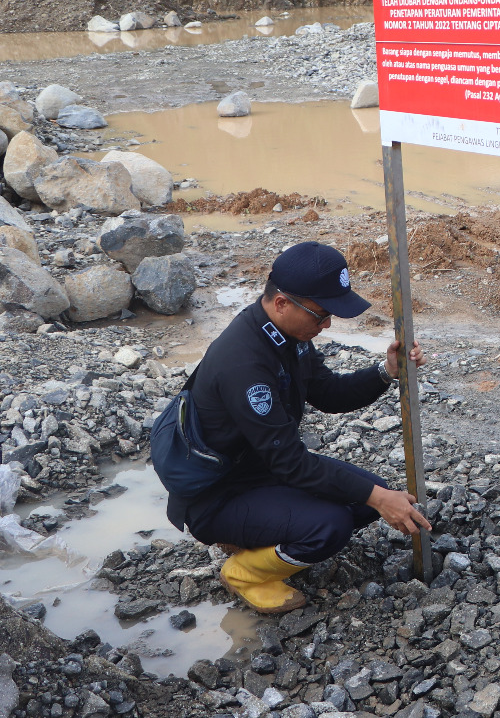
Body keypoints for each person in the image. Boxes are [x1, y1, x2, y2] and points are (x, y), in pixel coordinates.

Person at [164, 241, 430, 614]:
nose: (327, 325)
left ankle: (259, 536)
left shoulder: (286, 335)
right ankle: (244, 573)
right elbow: (292, 463)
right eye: (321, 315)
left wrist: (386, 372)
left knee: (370, 498)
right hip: (217, 495)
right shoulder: (244, 364)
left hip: (258, 469)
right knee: (333, 525)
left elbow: (329, 393)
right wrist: (379, 498)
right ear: (282, 303)